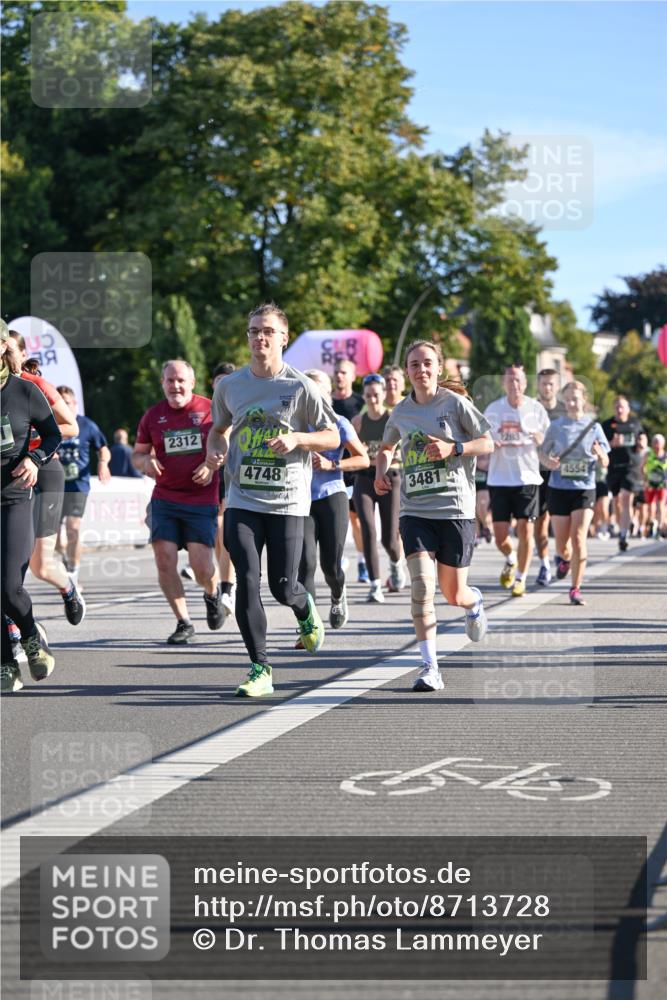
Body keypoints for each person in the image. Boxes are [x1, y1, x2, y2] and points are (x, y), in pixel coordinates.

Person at [206, 303, 339, 698]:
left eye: (267, 331)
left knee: (283, 587)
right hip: (242, 497)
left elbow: (332, 436)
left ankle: (303, 607)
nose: (259, 338)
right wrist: (215, 449)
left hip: (287, 501)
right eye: (253, 331)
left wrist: (298, 438)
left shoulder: (301, 387)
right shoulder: (230, 386)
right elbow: (218, 429)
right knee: (246, 578)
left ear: (283, 337)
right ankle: (259, 668)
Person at [375, 339, 493, 692]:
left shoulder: (454, 403)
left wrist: (453, 448)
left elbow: (487, 442)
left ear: (439, 368)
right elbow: (386, 446)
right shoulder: (401, 412)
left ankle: (474, 603)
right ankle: (430, 667)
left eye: (427, 363)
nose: (421, 369)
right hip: (416, 511)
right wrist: (381, 470)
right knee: (422, 588)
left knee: (454, 594)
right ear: (407, 371)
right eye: (414, 364)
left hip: (455, 510)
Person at [132, 359, 224, 644]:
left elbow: (228, 444)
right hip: (165, 498)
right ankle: (184, 622)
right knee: (164, 559)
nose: (176, 386)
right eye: (170, 381)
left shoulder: (211, 410)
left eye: (181, 380)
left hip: (201, 500)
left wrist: (212, 464)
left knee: (201, 566)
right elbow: (137, 454)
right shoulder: (152, 416)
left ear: (192, 383)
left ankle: (212, 593)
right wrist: (145, 462)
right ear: (163, 383)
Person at [4, 334, 84, 628]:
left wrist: (30, 441)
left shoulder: (35, 386)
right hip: (10, 477)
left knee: (41, 565)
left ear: (22, 354)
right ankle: (15, 629)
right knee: (10, 565)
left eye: (12, 350)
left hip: (44, 471)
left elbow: (70, 427)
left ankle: (68, 588)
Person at [1, 322, 62, 692]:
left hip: (13, 498)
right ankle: (6, 664)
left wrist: (35, 459)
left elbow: (53, 434)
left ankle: (32, 640)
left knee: (9, 587)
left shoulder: (24, 390)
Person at [297, 369, 369, 637]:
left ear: (328, 395)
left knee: (331, 565)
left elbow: (363, 459)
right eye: (308, 393)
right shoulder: (295, 424)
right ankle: (309, 625)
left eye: (319, 393)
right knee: (305, 564)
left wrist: (332, 464)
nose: (314, 398)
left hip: (332, 496)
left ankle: (338, 594)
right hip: (301, 500)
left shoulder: (339, 422)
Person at [541, 381, 610, 605]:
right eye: (568, 399)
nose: (572, 403)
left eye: (576, 399)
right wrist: (548, 462)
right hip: (559, 489)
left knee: (579, 537)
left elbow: (606, 461)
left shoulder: (594, 427)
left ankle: (575, 588)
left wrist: (600, 455)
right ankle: (564, 559)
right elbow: (541, 453)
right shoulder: (556, 426)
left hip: (584, 489)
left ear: (584, 399)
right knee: (563, 544)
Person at [484, 364, 550, 596]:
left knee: (526, 530)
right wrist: (491, 443)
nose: (514, 385)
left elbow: (549, 441)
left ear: (525, 383)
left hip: (528, 477)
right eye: (510, 380)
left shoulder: (536, 409)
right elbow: (483, 438)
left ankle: (521, 578)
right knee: (500, 536)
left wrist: (541, 439)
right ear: (504, 383)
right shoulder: (493, 409)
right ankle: (511, 558)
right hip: (499, 479)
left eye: (518, 380)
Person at [352, 373, 405, 602]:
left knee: (390, 539)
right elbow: (352, 453)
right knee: (368, 530)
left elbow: (400, 452)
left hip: (389, 477)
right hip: (364, 479)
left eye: (376, 395)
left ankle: (396, 563)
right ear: (363, 396)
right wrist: (360, 452)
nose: (372, 399)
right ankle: (375, 585)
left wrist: (375, 457)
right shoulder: (358, 421)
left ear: (384, 394)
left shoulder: (393, 418)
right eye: (368, 395)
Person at [56, 386, 111, 583]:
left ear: (75, 403)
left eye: (67, 403)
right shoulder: (51, 426)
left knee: (73, 527)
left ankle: (74, 572)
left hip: (78, 485)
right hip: (54, 486)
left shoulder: (86, 425)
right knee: (55, 539)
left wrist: (103, 463)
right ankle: (65, 557)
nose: (64, 407)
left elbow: (103, 448)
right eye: (60, 404)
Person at [331, 358, 368, 582]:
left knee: (356, 519)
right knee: (336, 521)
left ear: (353, 376)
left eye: (344, 372)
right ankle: (339, 559)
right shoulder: (325, 402)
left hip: (353, 469)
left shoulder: (360, 403)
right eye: (336, 372)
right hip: (329, 471)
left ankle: (362, 561)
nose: (339, 376)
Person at [534, 368, 566, 585]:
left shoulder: (565, 410)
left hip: (562, 473)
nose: (547, 388)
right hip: (537, 471)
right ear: (538, 385)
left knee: (564, 520)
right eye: (544, 383)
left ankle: (563, 555)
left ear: (557, 386)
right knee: (541, 521)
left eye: (551, 384)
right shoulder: (531, 410)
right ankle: (544, 565)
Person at [601, 396, 643, 552]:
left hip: (631, 466)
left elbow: (642, 438)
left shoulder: (635, 423)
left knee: (626, 497)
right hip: (613, 467)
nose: (619, 409)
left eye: (622, 407)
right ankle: (622, 528)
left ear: (628, 409)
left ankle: (624, 535)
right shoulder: (607, 425)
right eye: (617, 407)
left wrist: (642, 443)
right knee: (617, 500)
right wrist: (612, 443)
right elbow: (599, 445)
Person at [642, 434, 667, 538]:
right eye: (655, 442)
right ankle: (652, 524)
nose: (656, 445)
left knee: (661, 506)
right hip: (650, 484)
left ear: (663, 444)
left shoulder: (665, 455)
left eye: (658, 442)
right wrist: (645, 479)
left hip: (662, 484)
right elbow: (642, 467)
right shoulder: (648, 454)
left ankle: (660, 529)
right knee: (650, 507)